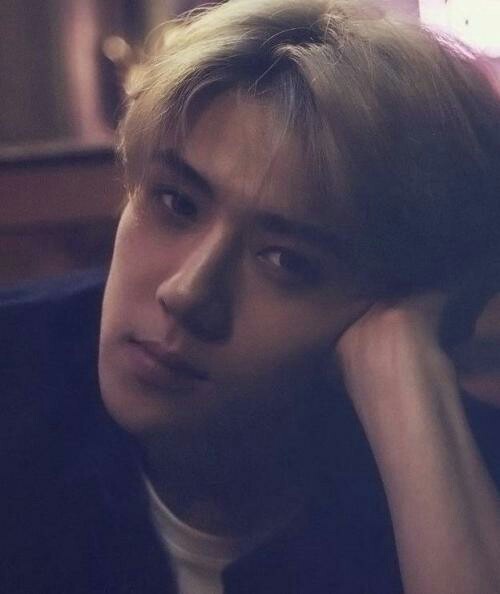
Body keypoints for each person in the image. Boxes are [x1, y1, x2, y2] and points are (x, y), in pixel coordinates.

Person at [2, 0, 500, 593]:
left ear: (401, 300)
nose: (187, 292)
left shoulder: (463, 475)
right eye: (177, 203)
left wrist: (406, 389)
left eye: (288, 261)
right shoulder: (17, 370)